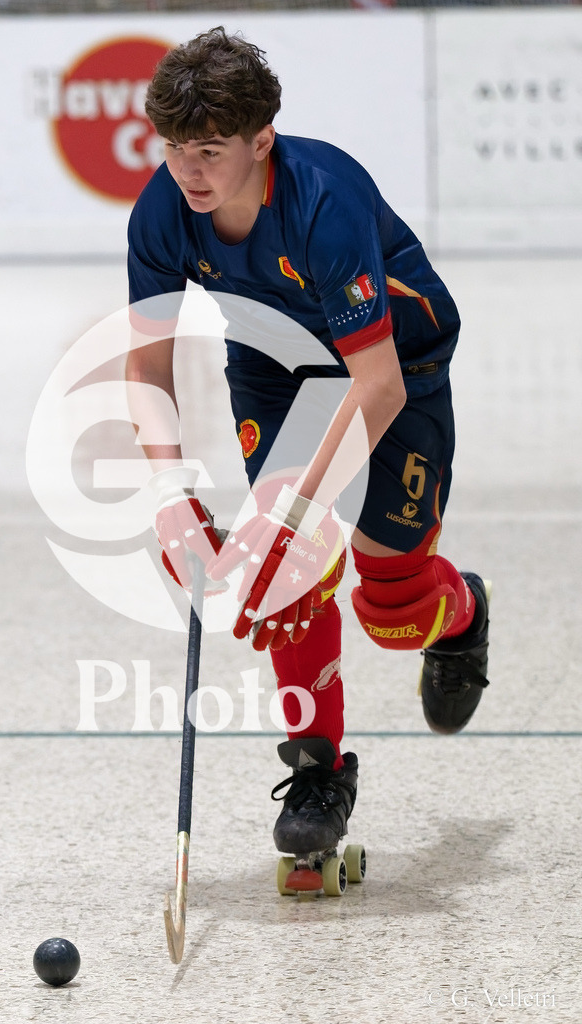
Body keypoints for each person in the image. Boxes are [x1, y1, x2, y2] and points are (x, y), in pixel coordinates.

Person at [125, 26, 490, 885]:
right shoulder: (161, 211)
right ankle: (318, 776)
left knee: (392, 608)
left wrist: (290, 518)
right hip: (273, 370)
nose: (190, 172)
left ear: (262, 140)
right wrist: (172, 496)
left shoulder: (324, 201)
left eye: (210, 150)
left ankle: (463, 613)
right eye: (175, 149)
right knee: (285, 580)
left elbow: (377, 386)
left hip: (396, 364)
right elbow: (146, 365)